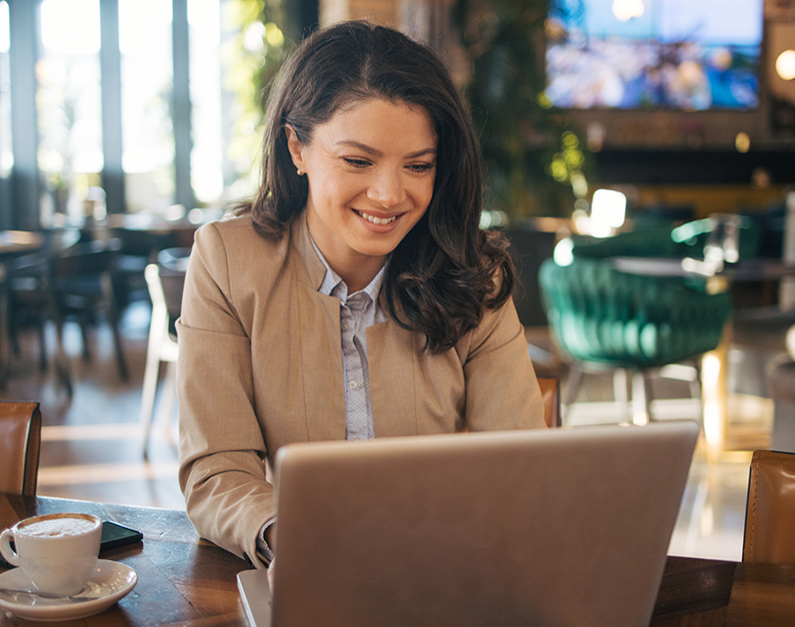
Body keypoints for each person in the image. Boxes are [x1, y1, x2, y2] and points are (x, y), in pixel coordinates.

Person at [176, 20, 545, 568]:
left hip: (444, 568)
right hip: (301, 564)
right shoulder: (228, 261)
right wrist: (290, 539)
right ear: (297, 147)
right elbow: (218, 467)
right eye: (357, 161)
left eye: (418, 165)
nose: (389, 195)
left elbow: (517, 469)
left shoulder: (474, 275)